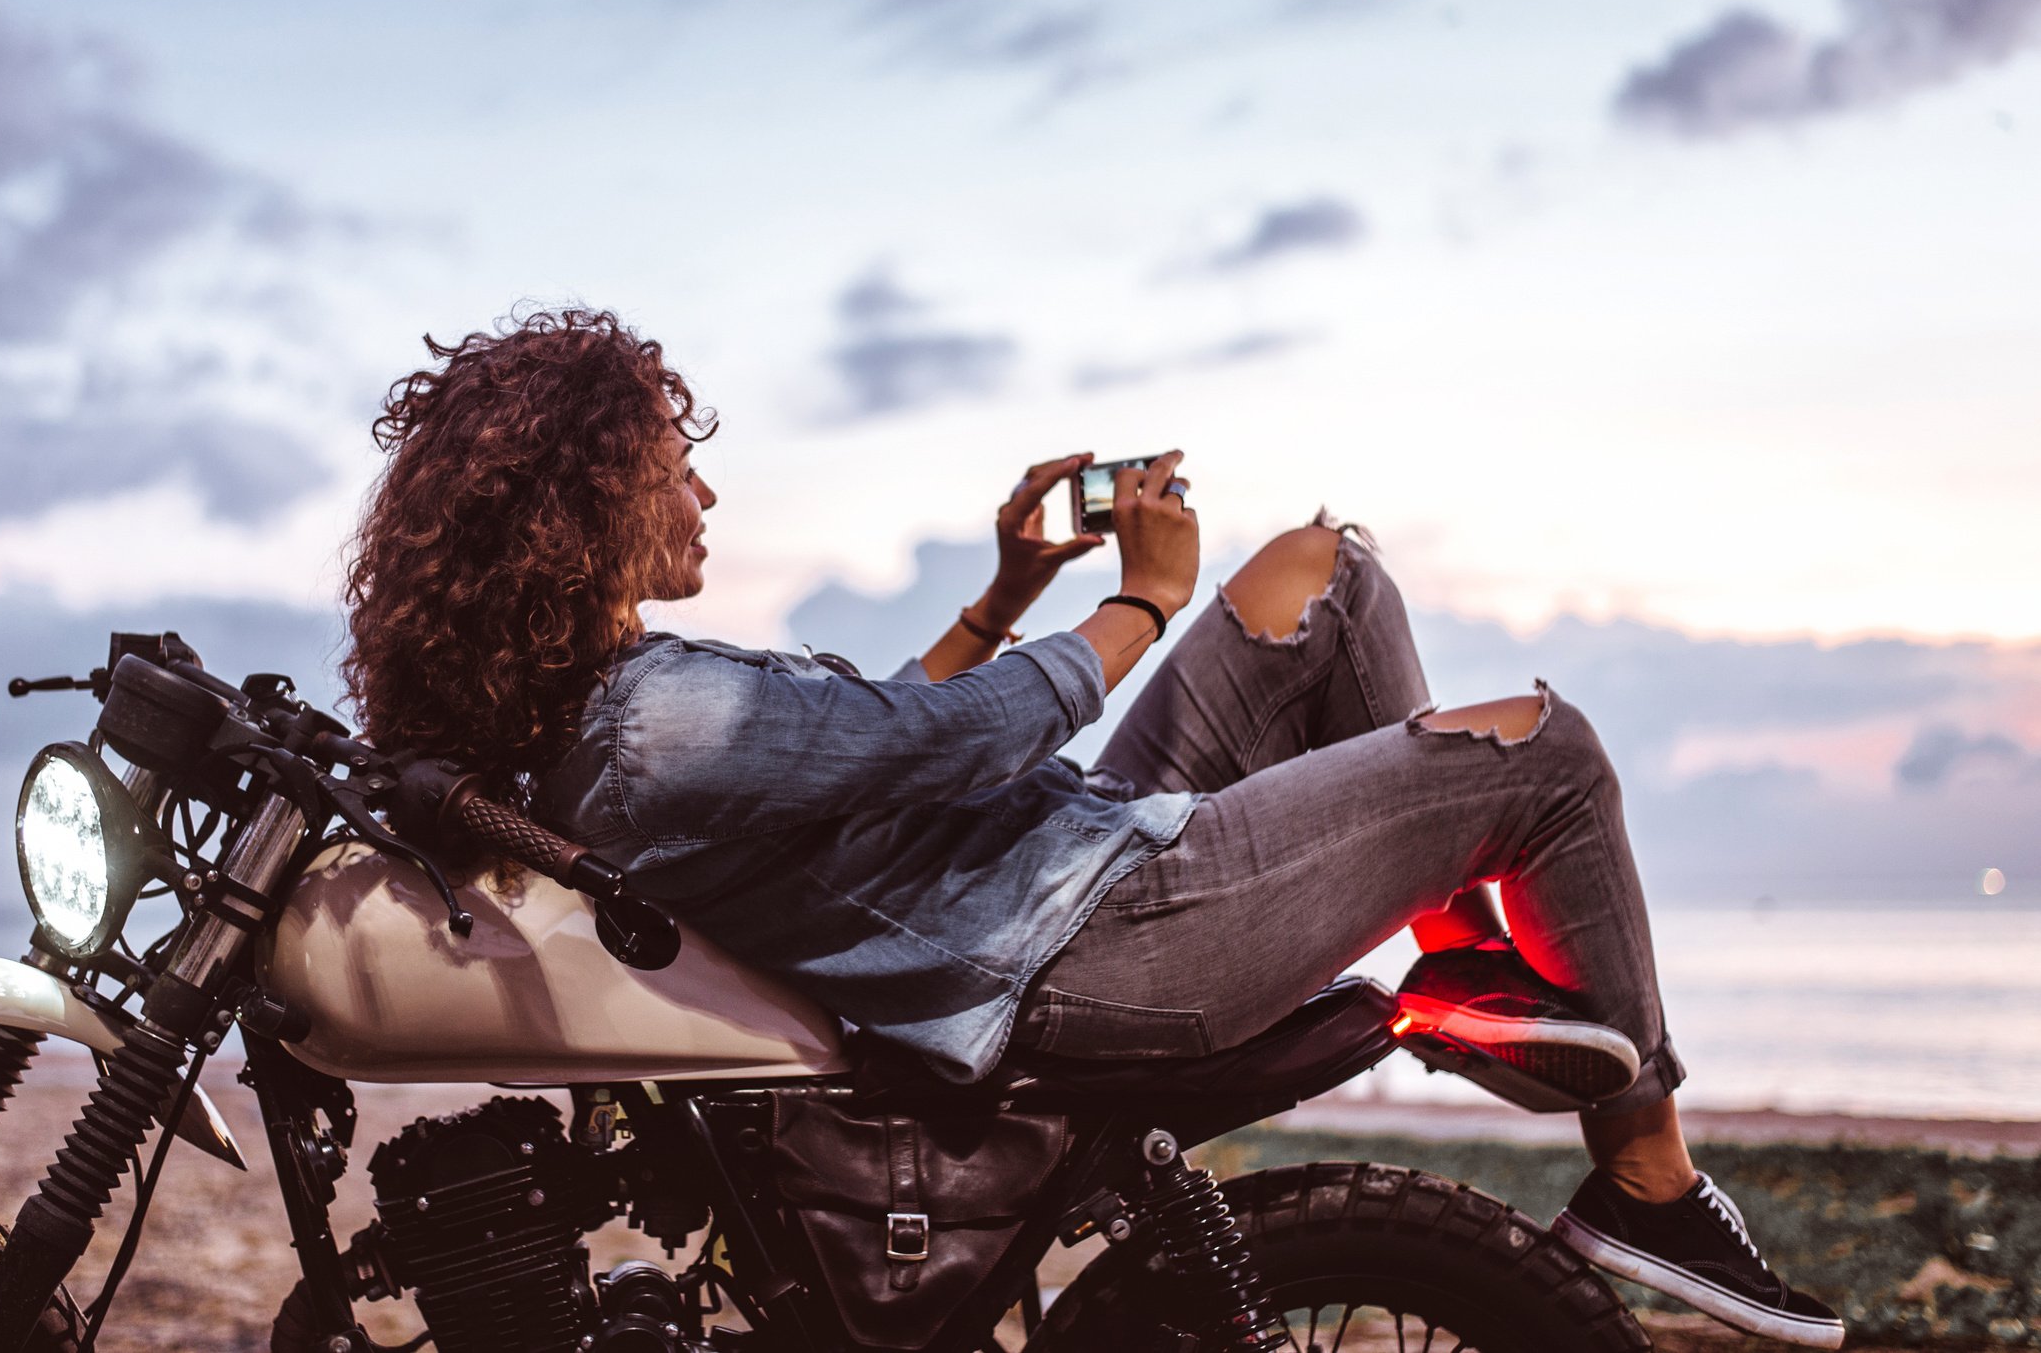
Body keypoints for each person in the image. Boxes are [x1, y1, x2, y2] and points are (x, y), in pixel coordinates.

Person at [342, 308, 1844, 1348]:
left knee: (1333, 574)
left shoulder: (600, 708)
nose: (706, 487)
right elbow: (947, 734)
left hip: (1043, 862)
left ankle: (1481, 970)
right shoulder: (645, 715)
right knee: (1550, 752)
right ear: (589, 500)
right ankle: (1649, 1182)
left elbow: (855, 754)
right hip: (1082, 940)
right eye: (675, 465)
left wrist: (1004, 598)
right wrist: (1136, 605)